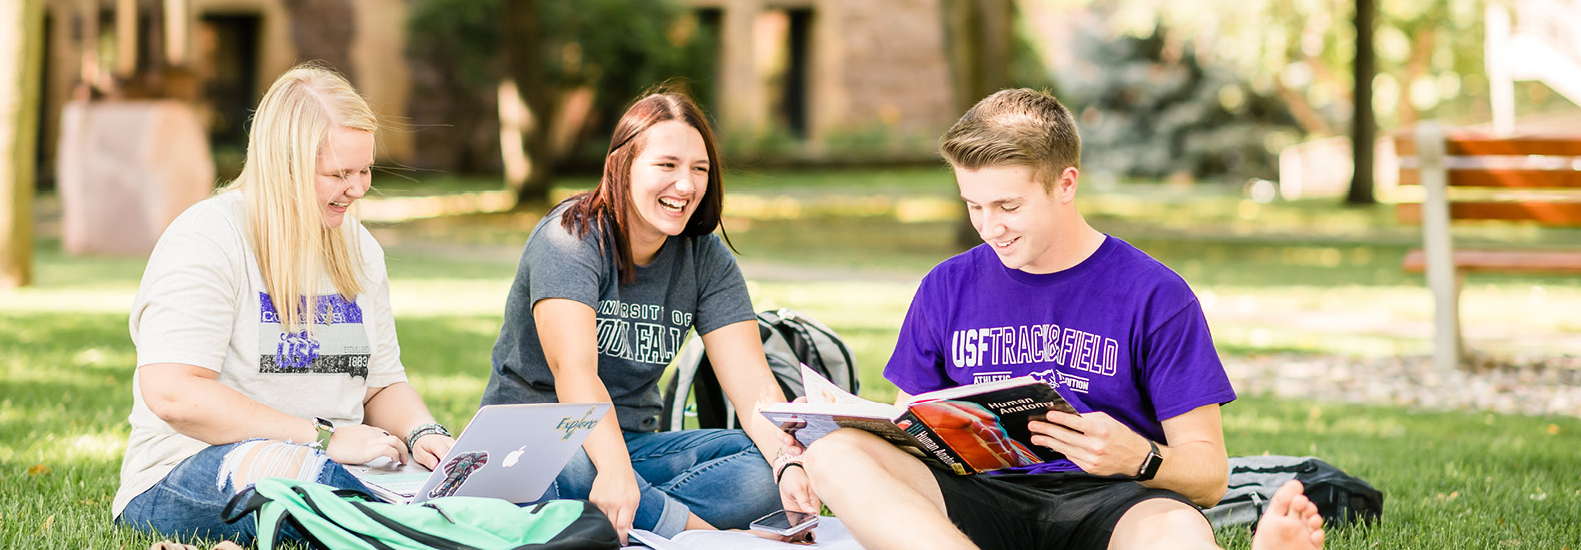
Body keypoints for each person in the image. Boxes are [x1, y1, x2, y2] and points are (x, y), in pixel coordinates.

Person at [788, 88, 1325, 550]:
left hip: (1115, 503)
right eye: (973, 206)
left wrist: (1137, 457)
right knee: (835, 455)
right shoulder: (946, 286)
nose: (988, 228)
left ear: (1066, 184)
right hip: (979, 498)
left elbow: (1209, 477)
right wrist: (844, 423)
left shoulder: (1156, 294)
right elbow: (911, 430)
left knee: (1178, 534)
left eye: (1008, 206)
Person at [113, 63, 457, 544]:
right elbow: (173, 393)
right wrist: (322, 439)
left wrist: (426, 436)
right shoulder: (208, 238)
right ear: (285, 166)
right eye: (339, 174)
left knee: (443, 485)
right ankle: (408, 521)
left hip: (334, 464)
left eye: (365, 170)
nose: (358, 189)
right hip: (188, 472)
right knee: (302, 480)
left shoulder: (357, 247)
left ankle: (418, 512)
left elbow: (381, 384)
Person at [480, 89, 813, 542]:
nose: (686, 185)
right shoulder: (569, 238)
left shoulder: (705, 258)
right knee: (574, 457)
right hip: (531, 444)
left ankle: (624, 516)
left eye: (700, 169)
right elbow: (573, 372)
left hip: (635, 446)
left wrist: (788, 461)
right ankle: (705, 535)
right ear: (622, 165)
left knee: (762, 466)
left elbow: (754, 385)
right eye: (667, 165)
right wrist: (613, 469)